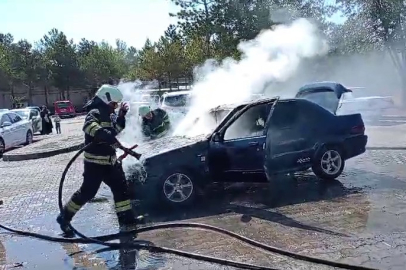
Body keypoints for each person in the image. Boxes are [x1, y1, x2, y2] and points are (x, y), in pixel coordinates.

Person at [56, 84, 142, 237]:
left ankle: (127, 222)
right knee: (87, 193)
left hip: (110, 162)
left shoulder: (109, 113)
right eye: (114, 104)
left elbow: (115, 129)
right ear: (106, 99)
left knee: (121, 190)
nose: (115, 107)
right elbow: (89, 126)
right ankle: (64, 217)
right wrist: (102, 134)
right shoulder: (94, 112)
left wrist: (122, 115)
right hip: (95, 164)